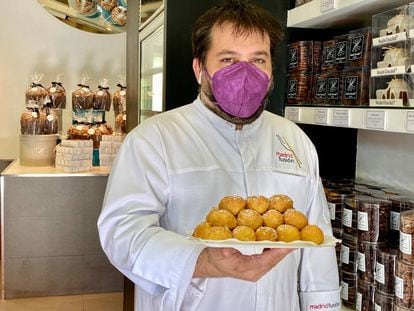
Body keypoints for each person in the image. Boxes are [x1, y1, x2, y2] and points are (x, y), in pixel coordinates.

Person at [97, 1, 340, 310]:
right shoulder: (153, 140)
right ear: (200, 68)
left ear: (271, 69)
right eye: (228, 59)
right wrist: (202, 262)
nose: (245, 73)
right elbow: (122, 233)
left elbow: (315, 240)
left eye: (258, 60)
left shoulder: (295, 141)